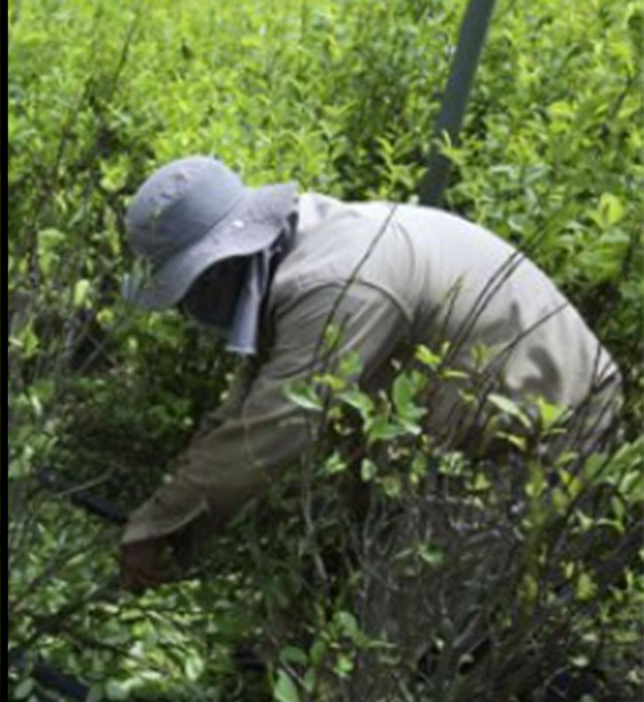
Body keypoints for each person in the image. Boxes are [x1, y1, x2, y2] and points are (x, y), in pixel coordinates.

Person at [117, 155, 622, 591]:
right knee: (366, 569)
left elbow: (271, 429)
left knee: (412, 617)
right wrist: (166, 516)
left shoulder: (333, 282)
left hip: (546, 427)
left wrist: (155, 523)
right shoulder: (283, 257)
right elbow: (242, 411)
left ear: (219, 270)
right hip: (458, 430)